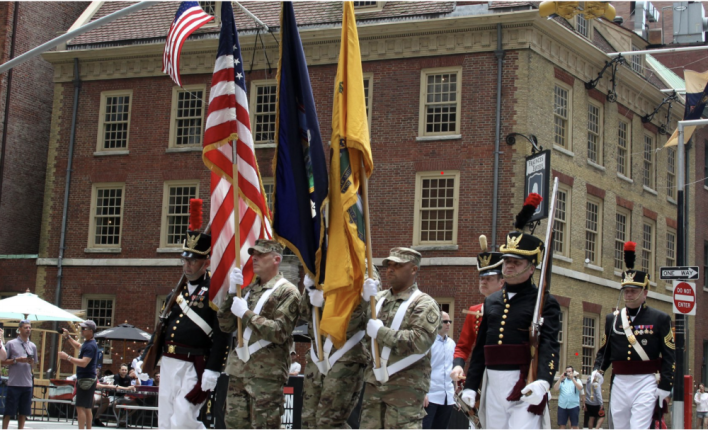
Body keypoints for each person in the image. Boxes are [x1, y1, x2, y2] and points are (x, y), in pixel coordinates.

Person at [462, 194, 561, 429]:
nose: (508, 266)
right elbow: (480, 349)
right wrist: (470, 385)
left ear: (531, 267)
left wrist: (543, 382)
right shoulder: (493, 301)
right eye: (506, 261)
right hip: (492, 382)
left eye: (515, 263)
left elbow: (549, 345)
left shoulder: (544, 302)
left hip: (524, 381)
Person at [145, 226, 231, 429]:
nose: (187, 265)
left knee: (184, 416)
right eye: (185, 260)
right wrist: (146, 358)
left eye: (193, 260)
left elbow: (222, 333)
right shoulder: (176, 294)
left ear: (206, 262)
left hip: (195, 363)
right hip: (168, 361)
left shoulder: (214, 291)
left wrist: (214, 368)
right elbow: (162, 327)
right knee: (165, 418)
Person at [218, 239, 301, 429]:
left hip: (266, 376)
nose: (254, 258)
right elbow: (225, 325)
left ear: (276, 259)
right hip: (239, 371)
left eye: (261, 254)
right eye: (254, 254)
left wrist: (246, 314)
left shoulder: (287, 292)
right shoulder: (248, 290)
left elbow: (280, 332)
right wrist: (232, 293)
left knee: (264, 426)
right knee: (234, 425)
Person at [592, 241, 675, 429]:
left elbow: (670, 356)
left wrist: (665, 385)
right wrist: (599, 370)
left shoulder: (660, 318)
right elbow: (605, 351)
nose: (629, 295)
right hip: (620, 380)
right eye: (626, 291)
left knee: (639, 426)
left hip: (646, 380)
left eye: (633, 291)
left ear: (645, 292)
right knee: (620, 426)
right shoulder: (612, 319)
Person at [359, 247, 441, 429]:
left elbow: (419, 341)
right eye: (389, 264)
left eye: (397, 265)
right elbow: (357, 329)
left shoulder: (423, 303)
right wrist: (363, 300)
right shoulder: (377, 300)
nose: (390, 269)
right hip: (374, 386)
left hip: (405, 391)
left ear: (413, 269)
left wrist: (381, 332)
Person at [299, 269, 375, 429]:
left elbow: (360, 320)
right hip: (316, 355)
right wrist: (308, 293)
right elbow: (305, 315)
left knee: (330, 422)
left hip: (345, 357)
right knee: (308, 421)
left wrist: (364, 300)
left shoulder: (363, 265)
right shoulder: (320, 266)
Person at [451, 235, 504, 384]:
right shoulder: (475, 311)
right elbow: (463, 346)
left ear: (502, 282)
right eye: (481, 278)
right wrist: (458, 366)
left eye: (489, 278)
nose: (483, 281)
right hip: (481, 373)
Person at [59, 319, 99, 430]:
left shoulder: (90, 345)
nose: (81, 330)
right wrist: (68, 337)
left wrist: (67, 357)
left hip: (86, 380)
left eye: (84, 329)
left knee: (80, 407)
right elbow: (79, 347)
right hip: (89, 379)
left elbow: (84, 363)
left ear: (91, 331)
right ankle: (88, 429)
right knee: (87, 407)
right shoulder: (89, 343)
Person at [423, 311, 456, 429]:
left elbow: (451, 369)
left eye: (450, 321)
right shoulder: (428, 343)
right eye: (445, 321)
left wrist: (455, 394)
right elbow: (421, 368)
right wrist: (423, 393)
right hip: (430, 396)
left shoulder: (452, 344)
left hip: (448, 396)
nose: (448, 324)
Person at [2, 320, 37, 430]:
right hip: (14, 383)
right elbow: (2, 361)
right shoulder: (11, 344)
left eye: (29, 328)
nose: (28, 330)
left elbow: (35, 365)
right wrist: (17, 360)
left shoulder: (32, 346)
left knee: (24, 412)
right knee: (9, 411)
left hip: (27, 384)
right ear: (19, 329)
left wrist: (32, 363)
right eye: (26, 327)